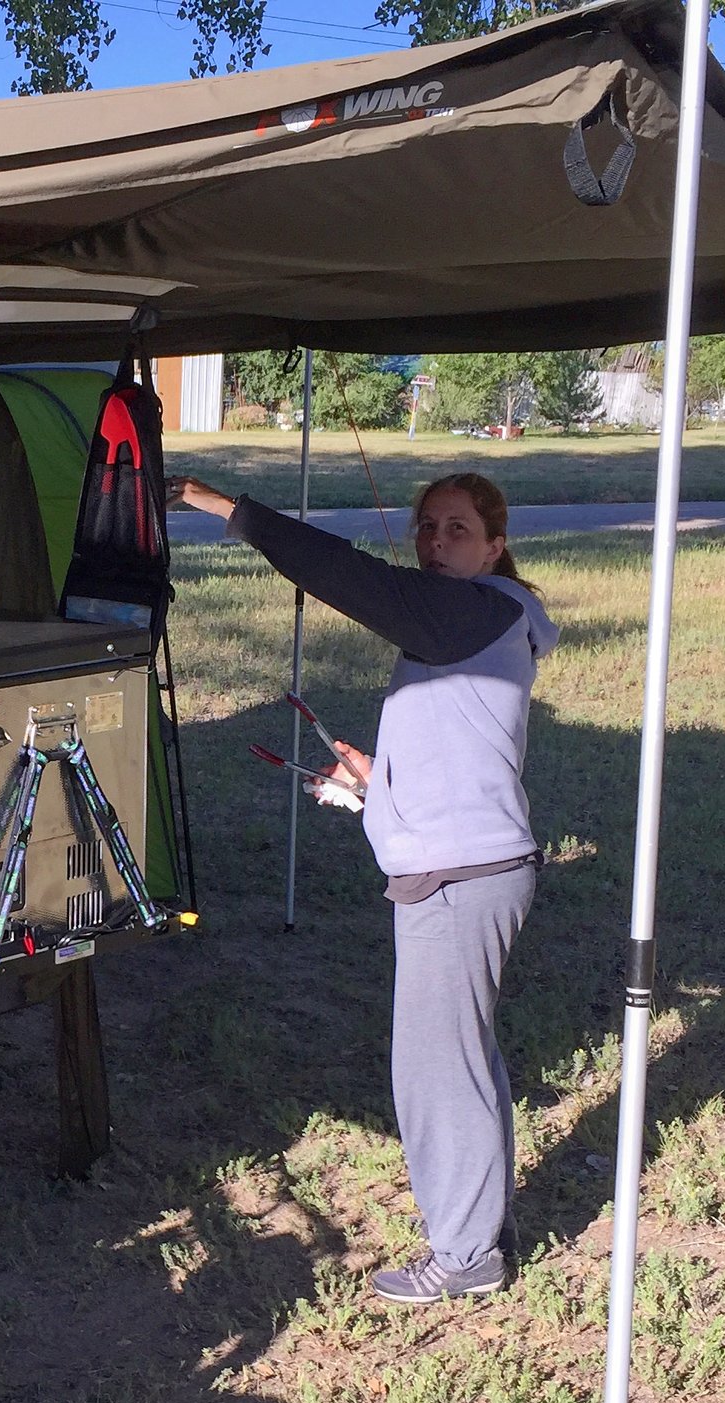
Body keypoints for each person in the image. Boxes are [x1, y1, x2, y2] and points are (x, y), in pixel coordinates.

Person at [173, 470, 558, 1303]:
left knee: (434, 1069)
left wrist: (224, 507)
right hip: (469, 863)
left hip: (459, 877)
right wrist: (379, 780)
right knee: (464, 1057)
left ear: (495, 545)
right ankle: (484, 1230)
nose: (434, 542)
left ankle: (464, 1256)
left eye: (456, 529)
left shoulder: (474, 608)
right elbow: (464, 747)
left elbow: (345, 573)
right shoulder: (470, 622)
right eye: (426, 528)